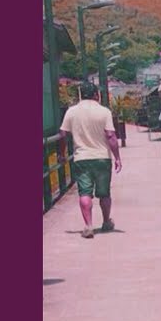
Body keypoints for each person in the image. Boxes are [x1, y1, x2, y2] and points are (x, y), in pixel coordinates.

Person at [60, 81, 122, 238]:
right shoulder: (104, 111)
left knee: (85, 193)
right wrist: (117, 157)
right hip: (102, 158)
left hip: (81, 158)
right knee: (104, 193)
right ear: (96, 95)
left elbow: (63, 134)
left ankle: (88, 226)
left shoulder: (71, 111)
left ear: (81, 95)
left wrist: (61, 153)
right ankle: (106, 221)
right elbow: (111, 136)